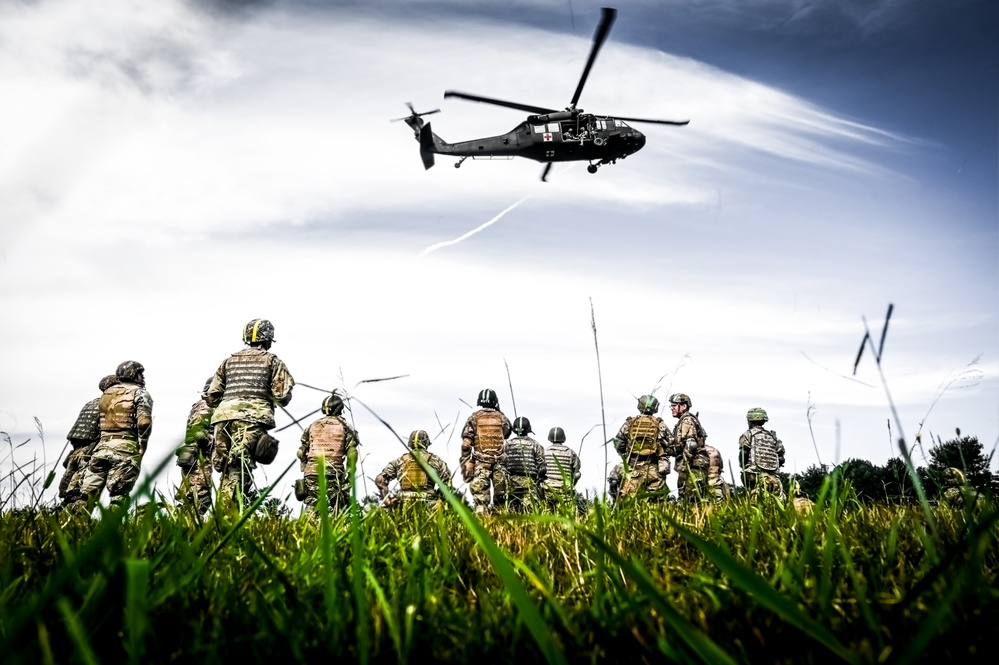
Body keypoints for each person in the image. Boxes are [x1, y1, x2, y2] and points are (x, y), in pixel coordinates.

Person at [206, 319, 295, 508]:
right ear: (268, 339)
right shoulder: (272, 361)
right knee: (239, 467)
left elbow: (212, 396)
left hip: (223, 418)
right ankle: (227, 518)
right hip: (251, 418)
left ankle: (221, 515)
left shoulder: (229, 361)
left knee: (226, 468)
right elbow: (282, 395)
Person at [76, 361, 153, 509]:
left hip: (101, 449)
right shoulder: (140, 393)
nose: (142, 377)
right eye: (139, 374)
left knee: (86, 496)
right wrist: (143, 445)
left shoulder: (106, 394)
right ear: (133, 375)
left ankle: (75, 527)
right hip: (125, 448)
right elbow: (144, 423)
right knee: (119, 495)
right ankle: (112, 528)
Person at [59, 374, 119, 508]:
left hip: (75, 452)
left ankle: (62, 519)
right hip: (89, 452)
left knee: (70, 492)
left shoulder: (91, 403)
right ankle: (78, 522)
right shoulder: (112, 405)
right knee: (84, 493)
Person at [296, 393, 358, 512]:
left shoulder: (313, 425)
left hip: (312, 471)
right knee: (339, 508)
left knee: (312, 506)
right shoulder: (346, 426)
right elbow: (352, 453)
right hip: (333, 471)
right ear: (341, 409)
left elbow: (301, 452)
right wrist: (349, 474)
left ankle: (308, 528)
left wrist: (306, 468)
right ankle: (339, 529)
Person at [459, 388, 513, 513]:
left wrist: (467, 462)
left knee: (480, 501)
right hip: (499, 463)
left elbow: (466, 444)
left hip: (480, 463)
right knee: (501, 501)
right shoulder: (502, 418)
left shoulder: (474, 418)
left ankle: (481, 526)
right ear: (495, 401)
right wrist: (499, 411)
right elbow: (507, 433)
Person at [612, 394, 672, 500]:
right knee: (656, 503)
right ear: (655, 407)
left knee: (628, 504)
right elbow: (672, 444)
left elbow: (618, 443)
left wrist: (625, 455)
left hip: (633, 468)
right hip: (655, 469)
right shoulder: (660, 424)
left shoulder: (629, 423)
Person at [375, 430, 453, 508]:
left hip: (403, 505)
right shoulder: (436, 460)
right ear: (426, 443)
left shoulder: (399, 461)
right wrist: (440, 500)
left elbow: (380, 479)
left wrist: (387, 501)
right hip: (429, 505)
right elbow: (447, 483)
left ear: (410, 443)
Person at [175, 378, 215, 514]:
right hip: (200, 456)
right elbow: (199, 434)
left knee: (188, 494)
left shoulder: (198, 405)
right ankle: (189, 528)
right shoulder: (208, 408)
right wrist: (212, 444)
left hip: (192, 454)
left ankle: (180, 523)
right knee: (201, 496)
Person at [495, 416, 547, 512]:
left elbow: (501, 464)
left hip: (511, 483)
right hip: (529, 484)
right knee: (530, 512)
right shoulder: (535, 444)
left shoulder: (507, 444)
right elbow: (542, 465)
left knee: (512, 511)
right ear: (528, 429)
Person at [669, 393, 711, 503]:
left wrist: (684, 466)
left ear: (683, 406)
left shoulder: (687, 421)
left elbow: (691, 444)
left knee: (691, 501)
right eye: (671, 406)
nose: (672, 408)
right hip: (692, 467)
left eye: (675, 405)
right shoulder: (685, 420)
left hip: (692, 467)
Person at [738, 407, 786, 500]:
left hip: (755, 475)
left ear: (749, 421)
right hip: (774, 478)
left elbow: (744, 452)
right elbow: (781, 459)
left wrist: (743, 465)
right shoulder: (773, 437)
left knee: (755, 503)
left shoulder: (748, 434)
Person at [542, 426, 581, 510]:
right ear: (563, 437)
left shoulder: (544, 452)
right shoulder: (570, 452)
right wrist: (571, 485)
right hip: (565, 490)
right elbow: (577, 474)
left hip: (548, 490)